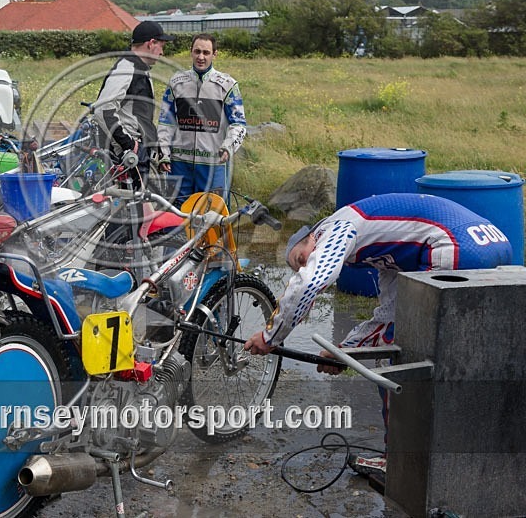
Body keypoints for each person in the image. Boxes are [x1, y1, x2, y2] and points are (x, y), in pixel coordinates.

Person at [244, 193, 512, 476]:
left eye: (302, 257)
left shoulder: (337, 226)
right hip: (494, 242)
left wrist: (270, 337)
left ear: (313, 237)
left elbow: (310, 282)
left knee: (401, 358)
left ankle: (398, 464)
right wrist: (345, 351)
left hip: (454, 246)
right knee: (467, 356)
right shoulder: (391, 252)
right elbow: (388, 315)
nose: (306, 263)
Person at [157, 33, 247, 203]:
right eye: (197, 51)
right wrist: (164, 153)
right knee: (177, 216)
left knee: (214, 217)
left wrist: (228, 146)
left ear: (214, 54)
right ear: (191, 52)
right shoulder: (176, 82)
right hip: (180, 163)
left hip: (213, 163)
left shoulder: (227, 84)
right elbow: (165, 121)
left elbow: (239, 123)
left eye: (206, 53)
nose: (201, 57)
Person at [94, 20, 173, 187]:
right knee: (136, 208)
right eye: (161, 45)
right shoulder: (127, 69)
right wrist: (129, 144)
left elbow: (140, 116)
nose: (162, 52)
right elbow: (102, 110)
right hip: (127, 156)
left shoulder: (140, 68)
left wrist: (156, 149)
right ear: (151, 44)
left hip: (137, 152)